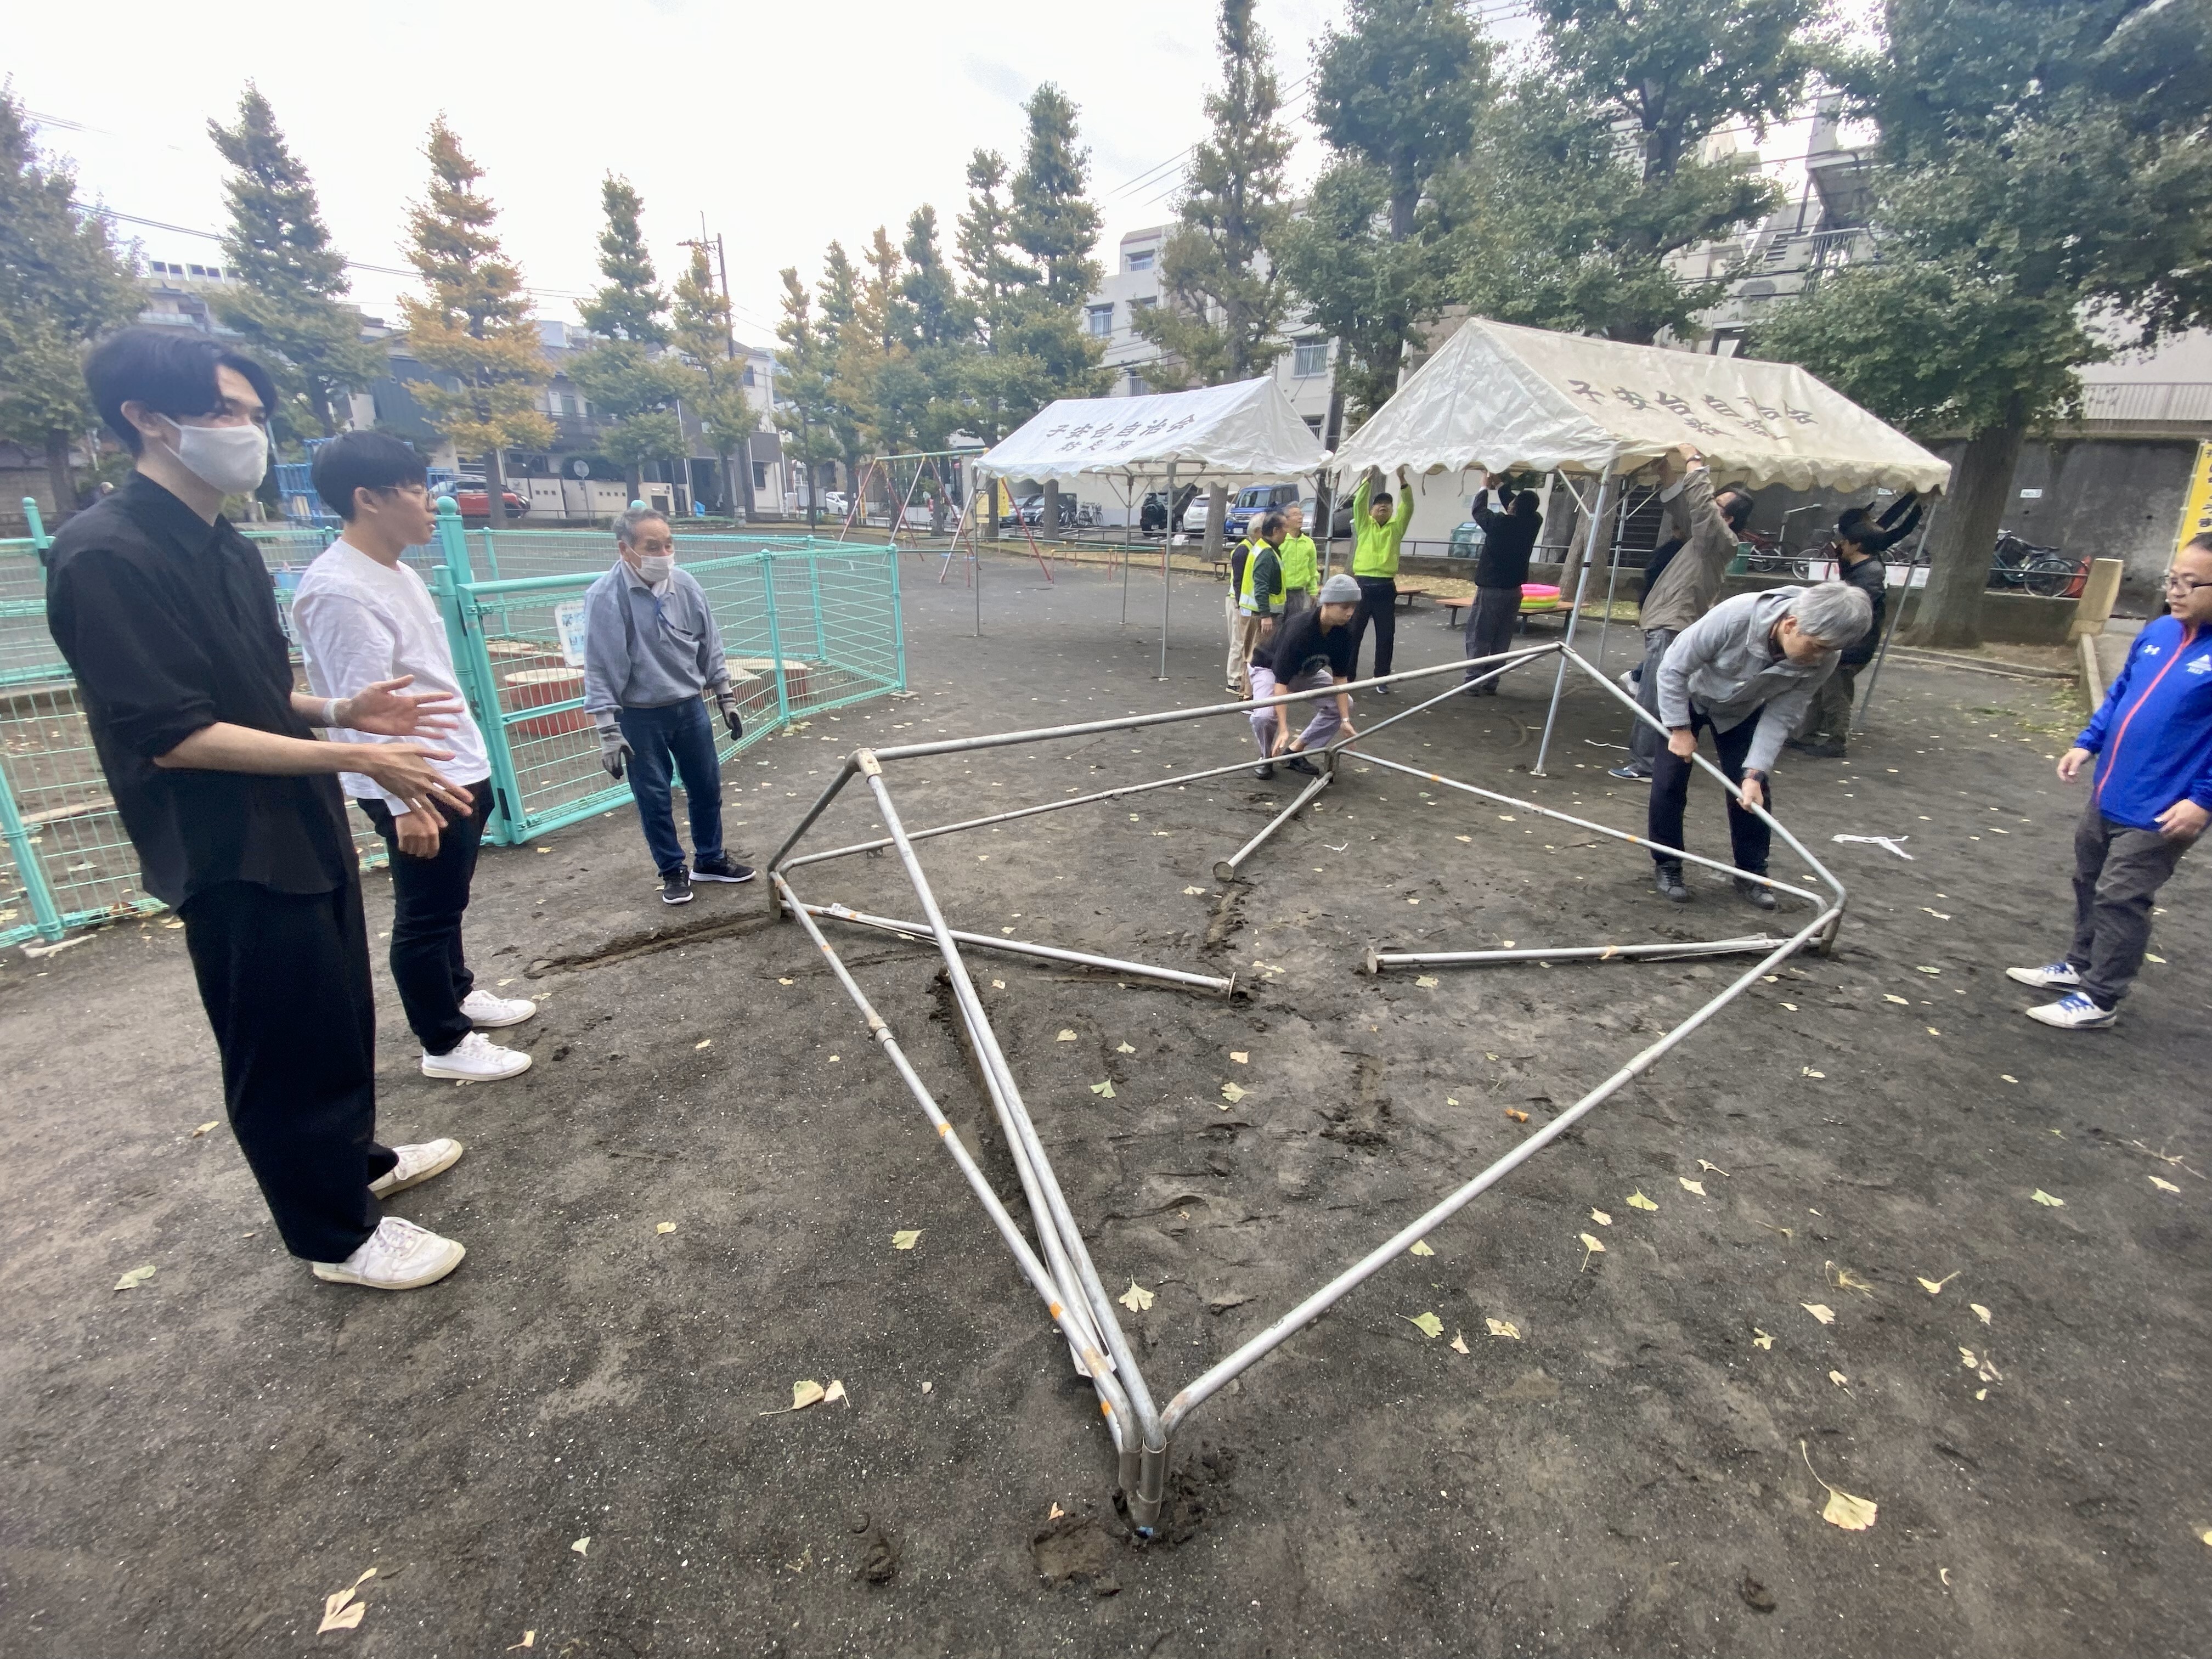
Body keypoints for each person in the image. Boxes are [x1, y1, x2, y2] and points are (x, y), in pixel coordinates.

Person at [47, 328, 477, 1291]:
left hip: (299, 821)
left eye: (253, 412)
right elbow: (174, 731)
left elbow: (248, 690)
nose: (248, 431)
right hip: (225, 843)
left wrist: (337, 709)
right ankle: (333, 1236)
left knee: (333, 1010)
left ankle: (355, 1162)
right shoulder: (104, 555)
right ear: (147, 420)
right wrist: (355, 751)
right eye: (228, 411)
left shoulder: (226, 545)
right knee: (277, 1037)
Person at [291, 431, 536, 1084]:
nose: (434, 503)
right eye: (419, 491)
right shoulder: (341, 590)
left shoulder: (396, 572)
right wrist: (405, 802)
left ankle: (456, 992)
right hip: (415, 779)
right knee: (424, 914)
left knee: (446, 903)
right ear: (367, 498)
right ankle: (444, 1041)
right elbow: (362, 708)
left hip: (451, 765)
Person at [2005, 534, 2212, 1030]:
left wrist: (2203, 800)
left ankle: (2101, 997)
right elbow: (2122, 692)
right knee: (2089, 880)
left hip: (2164, 806)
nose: (2176, 591)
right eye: (2172, 580)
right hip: (2112, 790)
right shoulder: (2160, 631)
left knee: (2122, 896)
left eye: (2191, 583)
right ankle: (2079, 964)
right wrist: (2088, 741)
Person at [1646, 583, 1872, 908]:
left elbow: (1782, 715)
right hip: (1686, 698)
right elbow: (1673, 668)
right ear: (1791, 625)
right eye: (1817, 646)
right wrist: (1680, 729)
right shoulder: (1736, 616)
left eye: (1829, 651)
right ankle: (1668, 863)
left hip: (1743, 709)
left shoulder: (1825, 657)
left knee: (1752, 794)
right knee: (1669, 781)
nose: (1820, 657)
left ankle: (1752, 872)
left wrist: (1755, 772)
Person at [582, 505, 753, 906]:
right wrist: (608, 730)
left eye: (668, 544)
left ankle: (710, 859)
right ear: (626, 550)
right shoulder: (606, 597)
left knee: (706, 786)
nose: (663, 553)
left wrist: (725, 696)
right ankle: (672, 869)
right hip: (640, 715)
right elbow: (599, 664)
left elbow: (710, 643)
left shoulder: (686, 586)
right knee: (654, 797)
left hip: (689, 704)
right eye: (652, 546)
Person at [1611, 447, 1755, 780]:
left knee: (1655, 695)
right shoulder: (1705, 537)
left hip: (1673, 621)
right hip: (1667, 618)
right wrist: (1666, 474)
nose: (1709, 508)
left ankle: (1645, 763)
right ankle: (1649, 760)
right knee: (1656, 691)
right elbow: (1686, 507)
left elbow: (1701, 507)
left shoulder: (1720, 539)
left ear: (1729, 518)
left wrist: (1694, 463)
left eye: (1718, 506)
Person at [1788, 493, 1921, 758]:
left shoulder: (1869, 573)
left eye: (1845, 541)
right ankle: (1808, 733)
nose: (1840, 544)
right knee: (1822, 686)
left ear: (1855, 543)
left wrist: (1916, 502)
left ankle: (1836, 739)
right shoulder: (1862, 561)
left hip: (1853, 643)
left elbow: (1862, 612)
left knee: (1836, 691)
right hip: (1847, 639)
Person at [1246, 574, 1363, 779]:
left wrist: (1345, 720)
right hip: (1269, 669)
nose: (1350, 613)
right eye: (1345, 607)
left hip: (1307, 671)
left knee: (1345, 704)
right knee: (1265, 716)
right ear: (1328, 603)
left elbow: (1340, 679)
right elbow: (1281, 683)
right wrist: (1284, 728)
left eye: (1353, 607)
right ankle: (1266, 758)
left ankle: (1295, 752)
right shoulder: (1300, 629)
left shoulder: (1345, 633)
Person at [1463, 478, 1543, 691]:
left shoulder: (1500, 524)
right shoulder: (1534, 521)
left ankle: (1474, 679)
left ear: (1513, 508)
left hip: (1491, 589)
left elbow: (1478, 510)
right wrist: (1500, 486)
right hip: (1514, 591)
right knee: (1502, 638)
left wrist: (1483, 486)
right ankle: (1492, 680)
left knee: (1480, 635)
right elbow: (1518, 506)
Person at [1348, 466, 1413, 690]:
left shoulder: (1397, 528)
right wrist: (1368, 479)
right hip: (1363, 586)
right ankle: (1348, 677)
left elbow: (1409, 508)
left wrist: (1403, 481)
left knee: (1386, 635)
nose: (1383, 506)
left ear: (1392, 510)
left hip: (1385, 586)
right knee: (1353, 633)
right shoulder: (1364, 525)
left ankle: (1382, 678)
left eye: (1387, 504)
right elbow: (1358, 504)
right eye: (1378, 504)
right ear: (1373, 509)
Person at [1232, 512, 1289, 697]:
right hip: (1259, 615)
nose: (1287, 533)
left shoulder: (1263, 548)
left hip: (1255, 613)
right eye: (1285, 529)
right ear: (1275, 530)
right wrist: (1266, 615)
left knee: (1251, 654)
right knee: (1256, 656)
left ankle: (1246, 694)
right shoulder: (1267, 553)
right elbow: (1261, 586)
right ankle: (1251, 697)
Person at [1277, 502, 1320, 621]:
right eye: (1296, 514)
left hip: (1299, 593)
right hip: (1280, 592)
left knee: (1294, 627)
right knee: (1277, 628)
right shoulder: (1280, 540)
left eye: (1301, 514)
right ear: (1286, 520)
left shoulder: (1308, 543)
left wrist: (1313, 592)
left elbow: (1312, 569)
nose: (1300, 517)